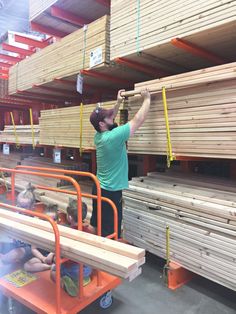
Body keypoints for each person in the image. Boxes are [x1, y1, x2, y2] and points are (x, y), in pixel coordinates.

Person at [89, 89, 151, 238]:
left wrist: (118, 102)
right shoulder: (113, 137)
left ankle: (90, 251)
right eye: (108, 117)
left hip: (98, 187)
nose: (113, 118)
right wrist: (147, 99)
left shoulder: (99, 135)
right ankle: (105, 258)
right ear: (102, 124)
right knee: (111, 233)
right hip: (110, 192)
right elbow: (138, 120)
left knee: (95, 223)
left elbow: (109, 119)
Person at [50, 201, 92, 297]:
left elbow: (66, 257)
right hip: (87, 269)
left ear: (69, 217)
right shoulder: (88, 231)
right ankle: (84, 279)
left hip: (75, 270)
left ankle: (66, 283)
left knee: (53, 271)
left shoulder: (68, 234)